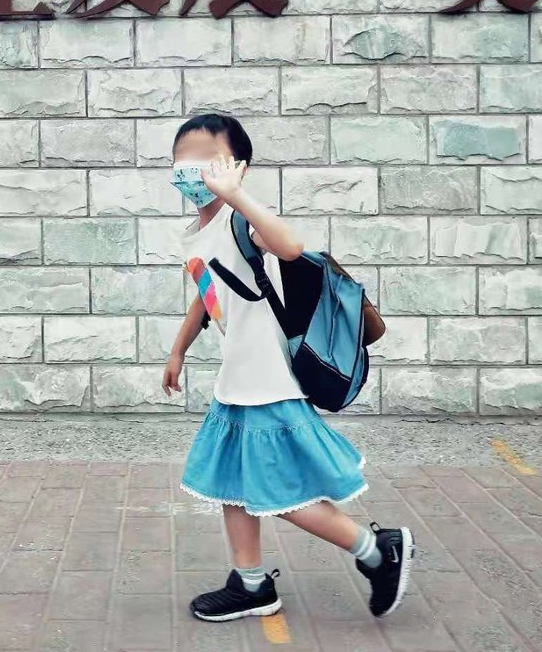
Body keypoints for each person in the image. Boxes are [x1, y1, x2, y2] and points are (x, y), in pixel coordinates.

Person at [161, 113, 415, 623]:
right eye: (181, 157)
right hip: (237, 383)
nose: (190, 168)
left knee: (279, 493)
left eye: (204, 157)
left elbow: (291, 247)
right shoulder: (197, 233)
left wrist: (236, 196)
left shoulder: (242, 222)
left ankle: (375, 550)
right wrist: (179, 349)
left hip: (266, 384)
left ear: (237, 166)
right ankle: (252, 584)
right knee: (228, 483)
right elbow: (207, 296)